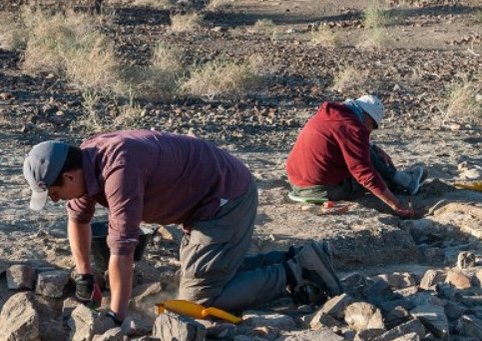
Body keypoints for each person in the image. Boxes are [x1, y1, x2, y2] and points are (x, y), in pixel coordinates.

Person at [22, 130, 344, 324]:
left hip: (224, 199)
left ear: (69, 177)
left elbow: (122, 248)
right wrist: (84, 275)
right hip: (201, 204)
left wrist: (116, 317)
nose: (54, 200)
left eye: (53, 194)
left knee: (199, 301)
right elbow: (77, 219)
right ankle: (303, 257)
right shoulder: (85, 163)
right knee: (206, 276)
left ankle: (297, 272)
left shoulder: (118, 169)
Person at [285, 93, 420, 218]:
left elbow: (344, 139)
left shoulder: (333, 114)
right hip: (320, 189)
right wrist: (396, 205)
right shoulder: (354, 128)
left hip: (296, 182)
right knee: (370, 176)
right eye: (373, 125)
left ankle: (400, 178)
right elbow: (364, 174)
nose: (370, 130)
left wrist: (372, 147)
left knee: (368, 151)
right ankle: (401, 181)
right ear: (368, 116)